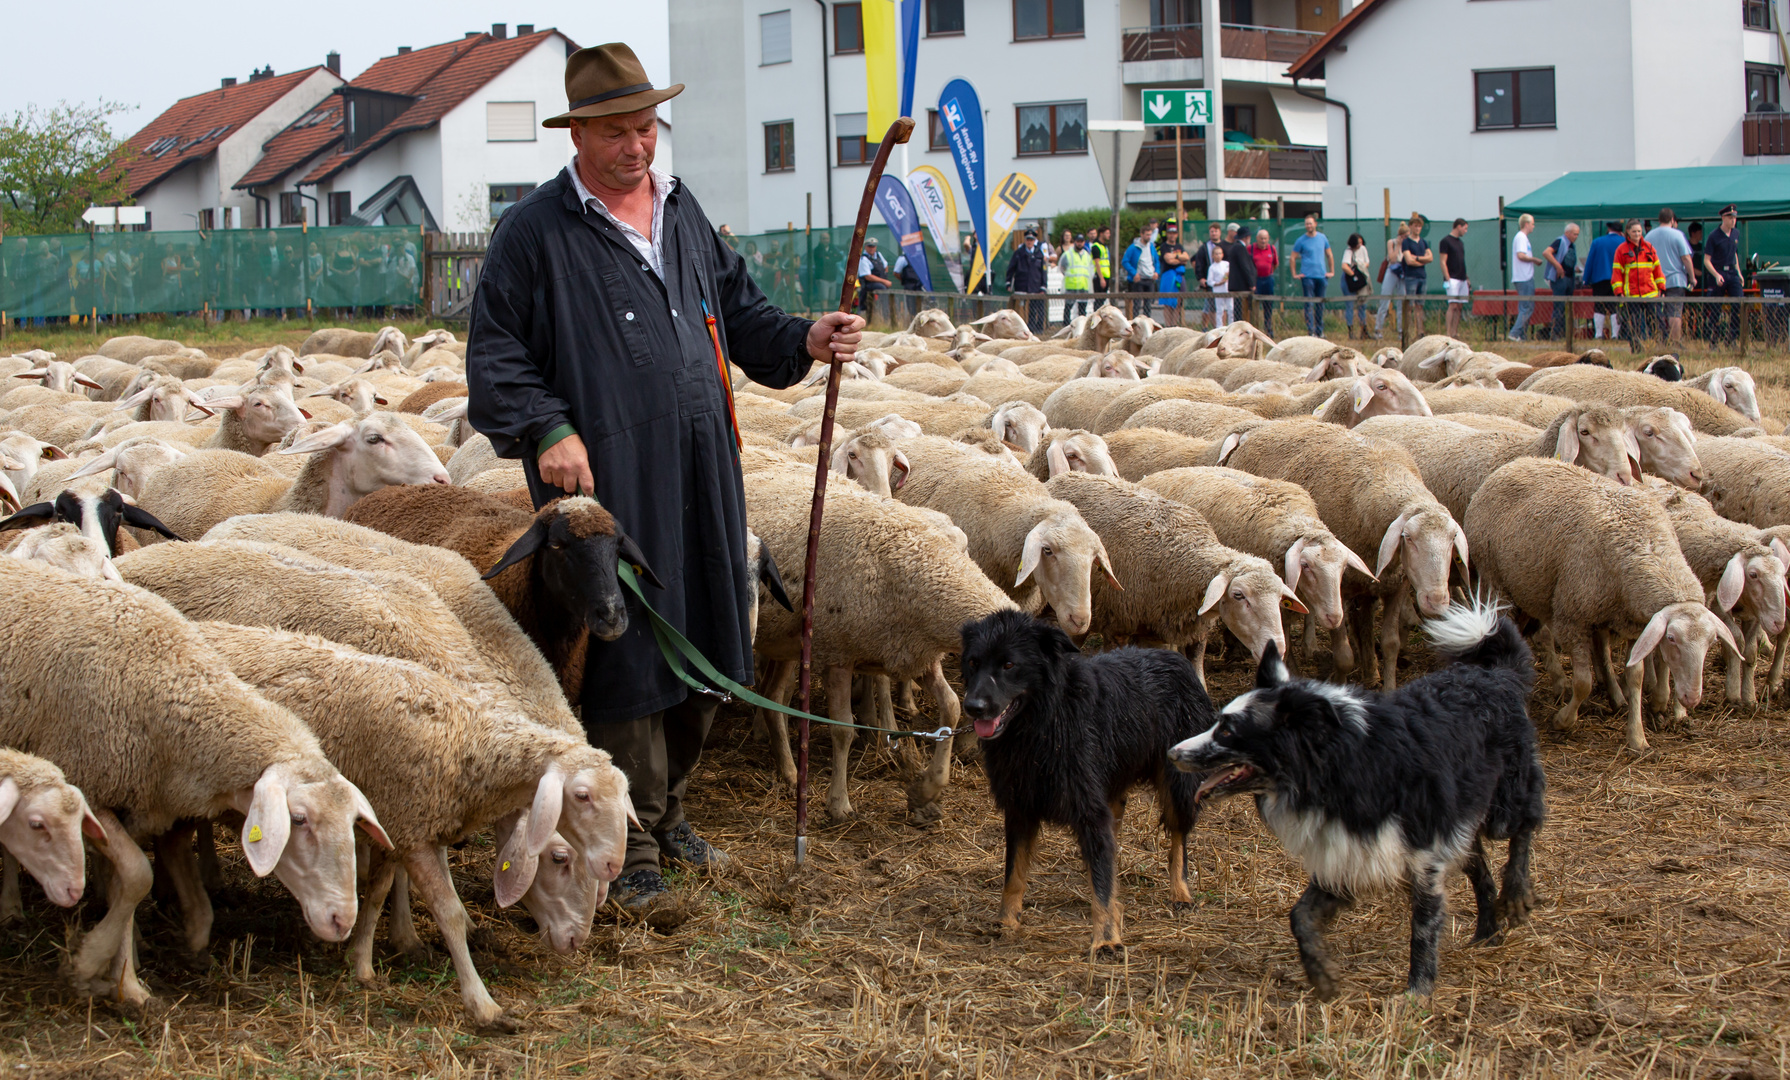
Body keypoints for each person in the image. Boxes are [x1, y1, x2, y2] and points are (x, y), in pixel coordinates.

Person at [465, 42, 863, 912]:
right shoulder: (535, 234)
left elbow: (744, 315)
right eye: (616, 132)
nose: (636, 147)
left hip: (701, 462)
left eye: (646, 128)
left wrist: (804, 337)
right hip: (602, 480)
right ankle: (630, 840)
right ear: (578, 135)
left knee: (712, 623)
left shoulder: (682, 212)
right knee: (623, 645)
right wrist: (547, 428)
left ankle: (671, 806)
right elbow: (496, 356)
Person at [1612, 218, 1665, 353]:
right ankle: (1636, 349)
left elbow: (1657, 270)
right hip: (1632, 295)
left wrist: (1662, 287)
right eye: (1634, 231)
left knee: (1656, 322)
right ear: (1628, 232)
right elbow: (1617, 273)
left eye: (1639, 231)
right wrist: (1619, 292)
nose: (1637, 234)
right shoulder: (1621, 250)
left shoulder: (1649, 248)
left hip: (1650, 293)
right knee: (1634, 325)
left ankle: (1659, 348)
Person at [1645, 208, 1696, 345]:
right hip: (1675, 279)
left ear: (1659, 219)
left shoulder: (1649, 236)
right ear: (1672, 220)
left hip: (1655, 280)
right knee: (1674, 312)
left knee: (1657, 312)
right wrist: (1692, 277)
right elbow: (1685, 257)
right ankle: (1675, 342)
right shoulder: (1677, 235)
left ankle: (1659, 340)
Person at [1705, 205, 1744, 345]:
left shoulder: (1736, 234)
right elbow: (1706, 260)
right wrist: (1716, 275)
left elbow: (1735, 254)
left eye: (1734, 217)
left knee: (1739, 302)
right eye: (1730, 217)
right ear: (1723, 218)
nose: (1733, 220)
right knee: (1716, 307)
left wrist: (1739, 273)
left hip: (1732, 272)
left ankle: (1732, 337)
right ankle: (1714, 338)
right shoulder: (1714, 236)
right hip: (1718, 271)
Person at [1289, 214, 1333, 337]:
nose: (1308, 225)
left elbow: (1329, 255)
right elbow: (1292, 257)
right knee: (1309, 304)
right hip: (1307, 276)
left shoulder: (1322, 238)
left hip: (1321, 276)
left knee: (1320, 304)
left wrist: (1331, 271)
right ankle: (1311, 330)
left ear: (1315, 224)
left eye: (1310, 223)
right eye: (1306, 223)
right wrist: (1295, 274)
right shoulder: (1301, 240)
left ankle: (1320, 330)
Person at [1585, 221, 1624, 340]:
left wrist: (1586, 279)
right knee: (1615, 307)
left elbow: (1590, 262)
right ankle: (1615, 335)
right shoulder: (1623, 242)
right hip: (1618, 279)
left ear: (1608, 229)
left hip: (1599, 279)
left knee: (1599, 307)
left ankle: (1598, 334)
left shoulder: (1597, 242)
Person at [1005, 228, 1048, 334]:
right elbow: (1011, 268)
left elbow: (1043, 271)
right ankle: (1020, 329)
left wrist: (1043, 285)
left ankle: (1036, 329)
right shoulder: (1018, 253)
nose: (1029, 242)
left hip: (1035, 285)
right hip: (1022, 285)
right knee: (1020, 309)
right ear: (1025, 240)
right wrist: (1008, 282)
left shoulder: (1039, 254)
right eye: (1028, 239)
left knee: (1036, 308)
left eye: (1031, 240)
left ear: (1034, 241)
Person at [1543, 223, 1580, 341]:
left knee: (1567, 307)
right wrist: (1558, 266)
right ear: (1567, 233)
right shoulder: (1560, 241)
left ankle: (1565, 333)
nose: (1576, 237)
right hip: (1560, 279)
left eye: (1577, 234)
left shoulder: (1571, 245)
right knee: (1559, 306)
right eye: (1574, 234)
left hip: (1570, 278)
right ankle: (1555, 333)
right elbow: (1547, 253)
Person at [1398, 215, 1434, 336]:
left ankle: (1420, 331)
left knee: (1420, 305)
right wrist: (1422, 261)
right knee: (1410, 305)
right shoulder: (1406, 242)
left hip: (1422, 277)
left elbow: (1430, 257)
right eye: (1415, 226)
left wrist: (1418, 258)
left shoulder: (1423, 242)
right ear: (1411, 227)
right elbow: (1409, 260)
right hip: (1411, 277)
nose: (1418, 228)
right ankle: (1407, 331)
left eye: (1419, 226)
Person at [1375, 222, 1409, 338]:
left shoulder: (1408, 244)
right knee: (1385, 298)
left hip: (1403, 271)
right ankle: (1378, 329)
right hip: (1393, 269)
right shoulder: (1392, 242)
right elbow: (1393, 258)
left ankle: (1401, 330)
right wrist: (1399, 246)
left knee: (1402, 301)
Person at [1438, 219, 1470, 339]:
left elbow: (1461, 261)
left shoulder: (1460, 243)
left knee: (1460, 306)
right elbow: (1443, 261)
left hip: (1462, 278)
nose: (1465, 231)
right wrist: (1448, 278)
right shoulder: (1445, 241)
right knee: (1453, 305)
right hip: (1452, 278)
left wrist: (1466, 278)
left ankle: (1455, 332)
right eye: (1464, 228)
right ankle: (1448, 332)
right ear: (1458, 226)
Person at [1121, 221, 1159, 316]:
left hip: (1149, 278)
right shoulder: (1134, 247)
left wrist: (1156, 272)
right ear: (1141, 234)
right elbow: (1125, 261)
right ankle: (1135, 323)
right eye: (1147, 235)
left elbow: (1157, 261)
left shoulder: (1151, 247)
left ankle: (1147, 324)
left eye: (1150, 235)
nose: (1149, 237)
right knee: (1136, 304)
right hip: (1139, 279)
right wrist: (1134, 273)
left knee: (1148, 305)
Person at [1340, 234, 1373, 338]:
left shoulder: (1363, 249)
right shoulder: (1348, 252)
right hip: (1350, 280)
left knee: (1362, 305)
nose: (1360, 244)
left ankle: (1364, 330)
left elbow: (1367, 262)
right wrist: (1354, 275)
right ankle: (1351, 331)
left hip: (1361, 278)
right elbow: (1344, 266)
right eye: (1358, 243)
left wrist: (1360, 268)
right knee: (1350, 305)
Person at [1156, 222, 1188, 325]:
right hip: (1168, 276)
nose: (1172, 235)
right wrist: (1180, 258)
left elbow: (1186, 258)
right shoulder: (1164, 246)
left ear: (1177, 234)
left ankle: (1175, 324)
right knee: (1168, 303)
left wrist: (1175, 257)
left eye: (1174, 233)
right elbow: (1168, 260)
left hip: (1179, 276)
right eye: (1170, 233)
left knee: (1178, 302)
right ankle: (1168, 325)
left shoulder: (1179, 246)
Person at [1059, 232, 1097, 319]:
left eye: (1082, 241)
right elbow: (1062, 268)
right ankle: (1066, 326)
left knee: (1082, 310)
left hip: (1083, 286)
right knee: (1068, 308)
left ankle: (1082, 327)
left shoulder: (1087, 255)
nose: (1080, 243)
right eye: (1078, 241)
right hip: (1071, 286)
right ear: (1075, 242)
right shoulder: (1068, 254)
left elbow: (1091, 268)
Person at [1251, 228, 1278, 331]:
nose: (1263, 241)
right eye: (1261, 238)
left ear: (1268, 239)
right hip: (1256, 280)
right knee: (1254, 305)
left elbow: (1275, 264)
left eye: (1265, 238)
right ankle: (1254, 328)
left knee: (1268, 305)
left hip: (1268, 280)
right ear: (1257, 238)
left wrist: (1268, 272)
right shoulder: (1251, 249)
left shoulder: (1272, 249)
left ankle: (1268, 328)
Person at [857, 237, 891, 318]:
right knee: (882, 288)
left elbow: (885, 265)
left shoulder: (878, 255)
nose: (872, 248)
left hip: (881, 282)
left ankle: (886, 313)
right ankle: (884, 313)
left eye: (873, 246)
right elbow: (868, 276)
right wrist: (884, 281)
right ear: (865, 247)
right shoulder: (863, 259)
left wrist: (884, 274)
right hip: (869, 285)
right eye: (869, 246)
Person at [1206, 242, 1232, 327]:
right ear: (1213, 255)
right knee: (1220, 310)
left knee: (1230, 309)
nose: (1218, 255)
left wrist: (1226, 277)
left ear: (1223, 254)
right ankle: (1219, 327)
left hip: (1228, 290)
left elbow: (1229, 273)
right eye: (1216, 254)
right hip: (1218, 291)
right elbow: (1209, 281)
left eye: (1220, 253)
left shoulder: (1227, 264)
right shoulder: (1212, 267)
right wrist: (1218, 283)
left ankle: (1231, 326)